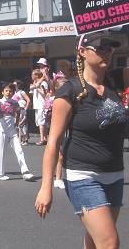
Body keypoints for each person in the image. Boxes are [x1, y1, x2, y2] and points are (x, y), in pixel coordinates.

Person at [35, 31, 128, 249]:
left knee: (96, 242)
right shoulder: (70, 92)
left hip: (114, 175)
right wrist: (45, 187)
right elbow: (53, 142)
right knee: (109, 242)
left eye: (111, 48)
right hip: (83, 176)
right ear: (83, 52)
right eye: (101, 48)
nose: (108, 52)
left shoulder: (115, 83)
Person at [0, 83, 34, 181]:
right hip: (2, 131)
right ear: (2, 92)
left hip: (12, 131)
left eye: (10, 91)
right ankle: (0, 174)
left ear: (13, 92)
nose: (8, 93)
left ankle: (25, 172)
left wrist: (16, 123)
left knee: (19, 150)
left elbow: (19, 111)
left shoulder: (15, 103)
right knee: (1, 153)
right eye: (6, 91)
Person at [30, 69, 49, 145]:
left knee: (42, 123)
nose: (31, 76)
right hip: (37, 105)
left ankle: (42, 139)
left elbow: (45, 94)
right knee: (39, 122)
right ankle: (44, 138)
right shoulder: (36, 83)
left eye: (33, 74)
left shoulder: (43, 83)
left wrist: (37, 88)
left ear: (36, 75)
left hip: (42, 105)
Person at [13, 80, 31, 145]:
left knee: (23, 125)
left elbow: (28, 100)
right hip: (16, 110)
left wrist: (25, 109)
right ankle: (20, 139)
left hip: (22, 109)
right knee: (18, 125)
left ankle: (25, 139)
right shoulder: (14, 92)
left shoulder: (22, 92)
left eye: (15, 85)